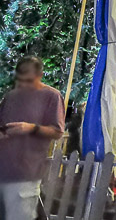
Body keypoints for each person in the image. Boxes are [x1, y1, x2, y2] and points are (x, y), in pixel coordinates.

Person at [0, 56, 65, 220]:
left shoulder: (52, 97)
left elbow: (57, 131)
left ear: (40, 75)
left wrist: (30, 128)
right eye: (20, 80)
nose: (23, 85)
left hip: (26, 171)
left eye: (28, 80)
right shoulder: (11, 97)